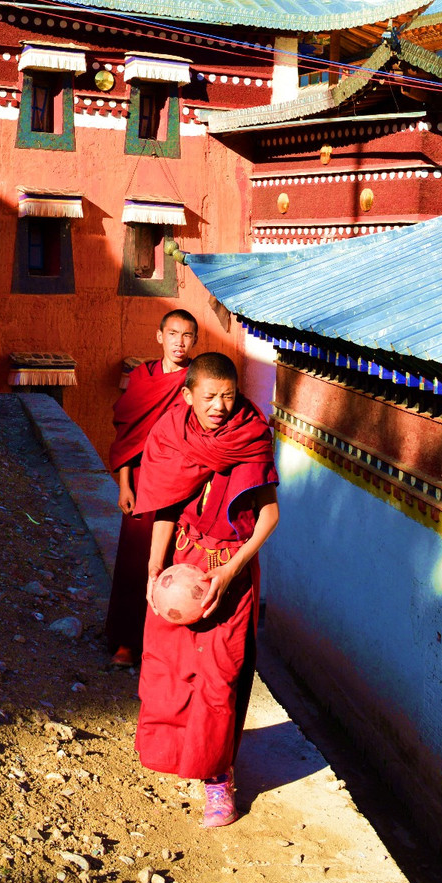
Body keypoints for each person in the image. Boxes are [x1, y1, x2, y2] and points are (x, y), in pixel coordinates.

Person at [131, 351, 279, 827]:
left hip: (227, 576)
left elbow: (269, 517)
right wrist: (154, 571)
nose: (219, 406)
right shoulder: (172, 437)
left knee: (220, 680)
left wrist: (231, 571)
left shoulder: (250, 438)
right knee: (171, 673)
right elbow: (166, 510)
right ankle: (182, 755)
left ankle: (218, 780)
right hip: (182, 566)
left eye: (229, 397)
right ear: (188, 393)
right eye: (210, 396)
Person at [105, 309, 199, 667]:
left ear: (195, 341)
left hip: (185, 480)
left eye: (187, 336)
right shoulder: (143, 378)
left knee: (178, 561)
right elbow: (128, 434)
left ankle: (167, 646)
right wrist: (124, 485)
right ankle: (126, 642)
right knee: (135, 561)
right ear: (160, 336)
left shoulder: (196, 378)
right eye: (173, 333)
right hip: (144, 480)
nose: (179, 342)